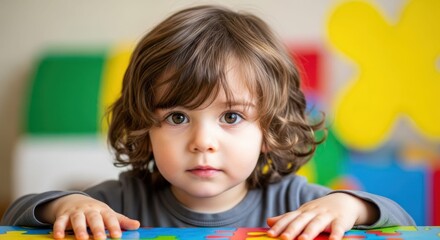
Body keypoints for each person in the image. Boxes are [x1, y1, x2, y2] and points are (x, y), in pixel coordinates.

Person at [1, 5, 414, 240]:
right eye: (178, 117)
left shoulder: (293, 203)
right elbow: (16, 215)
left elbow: (406, 225)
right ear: (146, 124)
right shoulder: (120, 203)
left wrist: (351, 205)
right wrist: (66, 205)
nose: (203, 141)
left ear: (269, 129)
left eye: (231, 116)